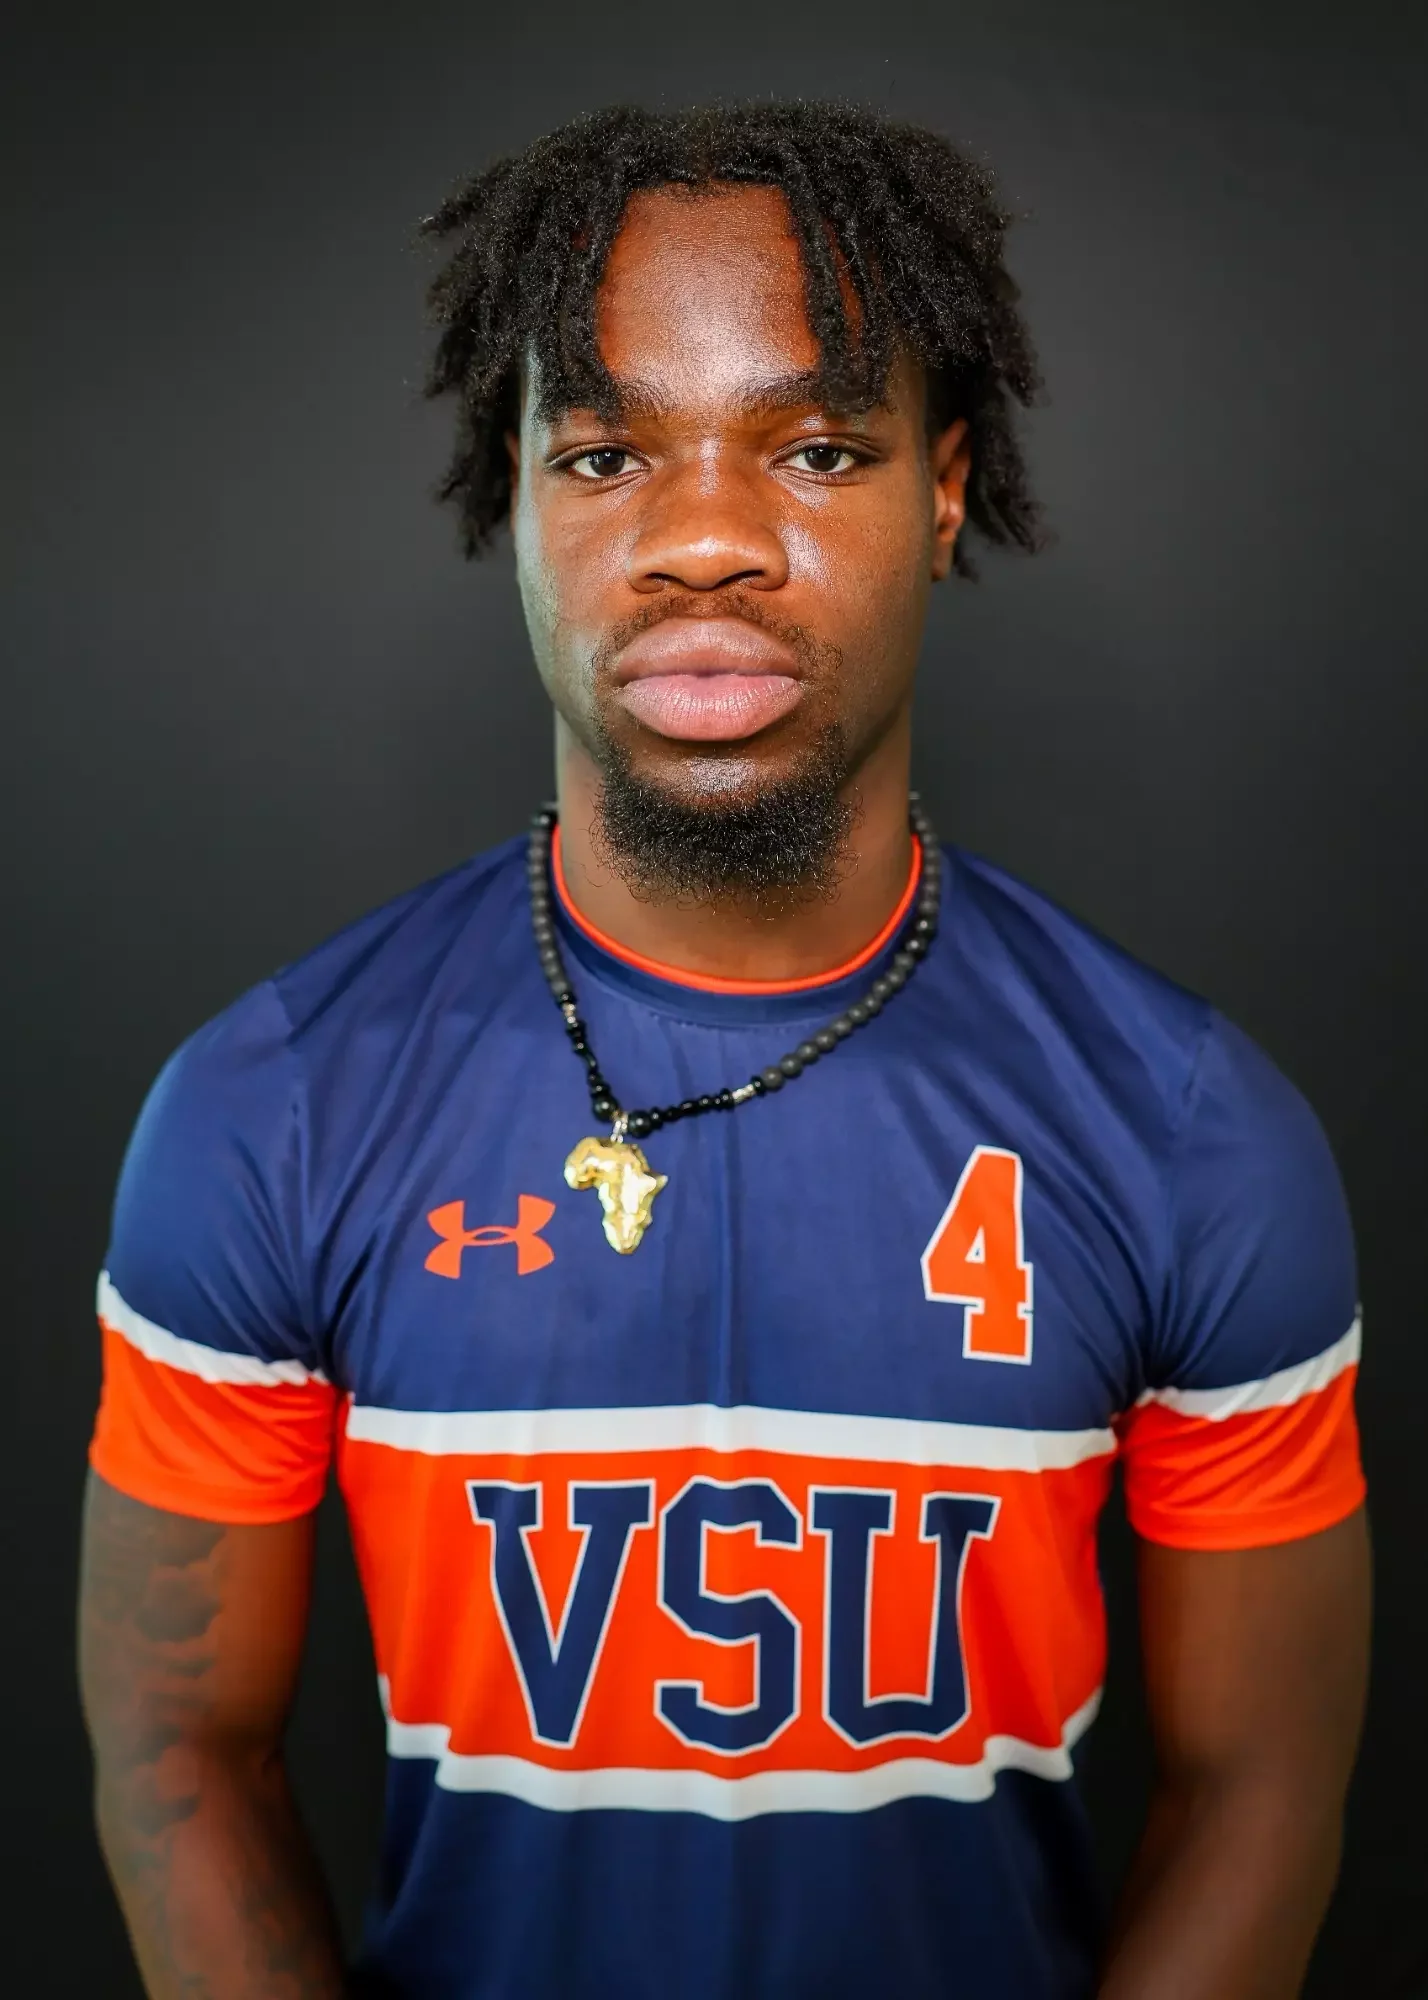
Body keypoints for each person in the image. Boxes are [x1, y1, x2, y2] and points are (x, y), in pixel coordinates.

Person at [78, 102, 1370, 2000]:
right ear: (512, 496)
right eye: (605, 452)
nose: (701, 539)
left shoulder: (1190, 1131)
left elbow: (1265, 1788)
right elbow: (175, 1752)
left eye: (819, 446)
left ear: (941, 493)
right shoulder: (270, 1106)